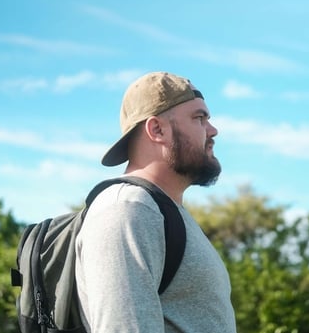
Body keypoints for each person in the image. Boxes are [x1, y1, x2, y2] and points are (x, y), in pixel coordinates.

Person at [75, 71, 237, 332]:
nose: (213, 130)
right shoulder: (127, 210)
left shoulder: (162, 211)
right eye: (199, 118)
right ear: (157, 129)